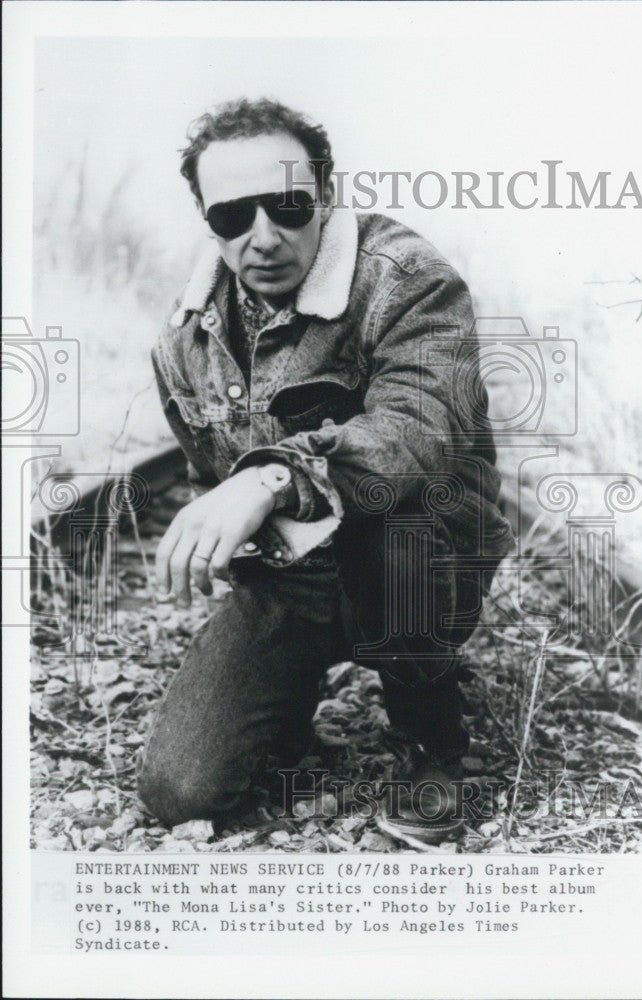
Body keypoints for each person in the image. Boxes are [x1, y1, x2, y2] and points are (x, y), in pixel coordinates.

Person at [138, 98, 513, 844]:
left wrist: (271, 477)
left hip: (416, 553)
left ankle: (429, 730)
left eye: (287, 206)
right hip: (294, 576)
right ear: (207, 221)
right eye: (232, 217)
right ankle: (293, 680)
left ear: (326, 195)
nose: (263, 237)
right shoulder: (184, 342)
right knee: (182, 791)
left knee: (395, 512)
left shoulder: (407, 279)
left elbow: (417, 431)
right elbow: (204, 477)